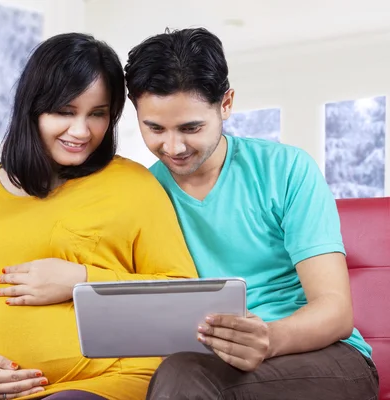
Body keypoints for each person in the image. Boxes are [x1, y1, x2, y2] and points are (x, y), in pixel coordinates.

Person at [0, 32, 197, 400]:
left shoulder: (133, 184)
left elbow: (180, 294)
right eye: (65, 112)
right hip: (2, 392)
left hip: (109, 381)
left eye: (98, 114)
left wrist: (83, 281)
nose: (81, 131)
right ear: (33, 108)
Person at [123, 27, 380, 399]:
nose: (173, 146)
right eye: (155, 128)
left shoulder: (286, 169)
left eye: (191, 127)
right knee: (179, 373)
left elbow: (335, 311)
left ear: (225, 104)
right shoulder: (143, 192)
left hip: (325, 357)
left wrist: (270, 339)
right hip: (206, 363)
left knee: (183, 376)